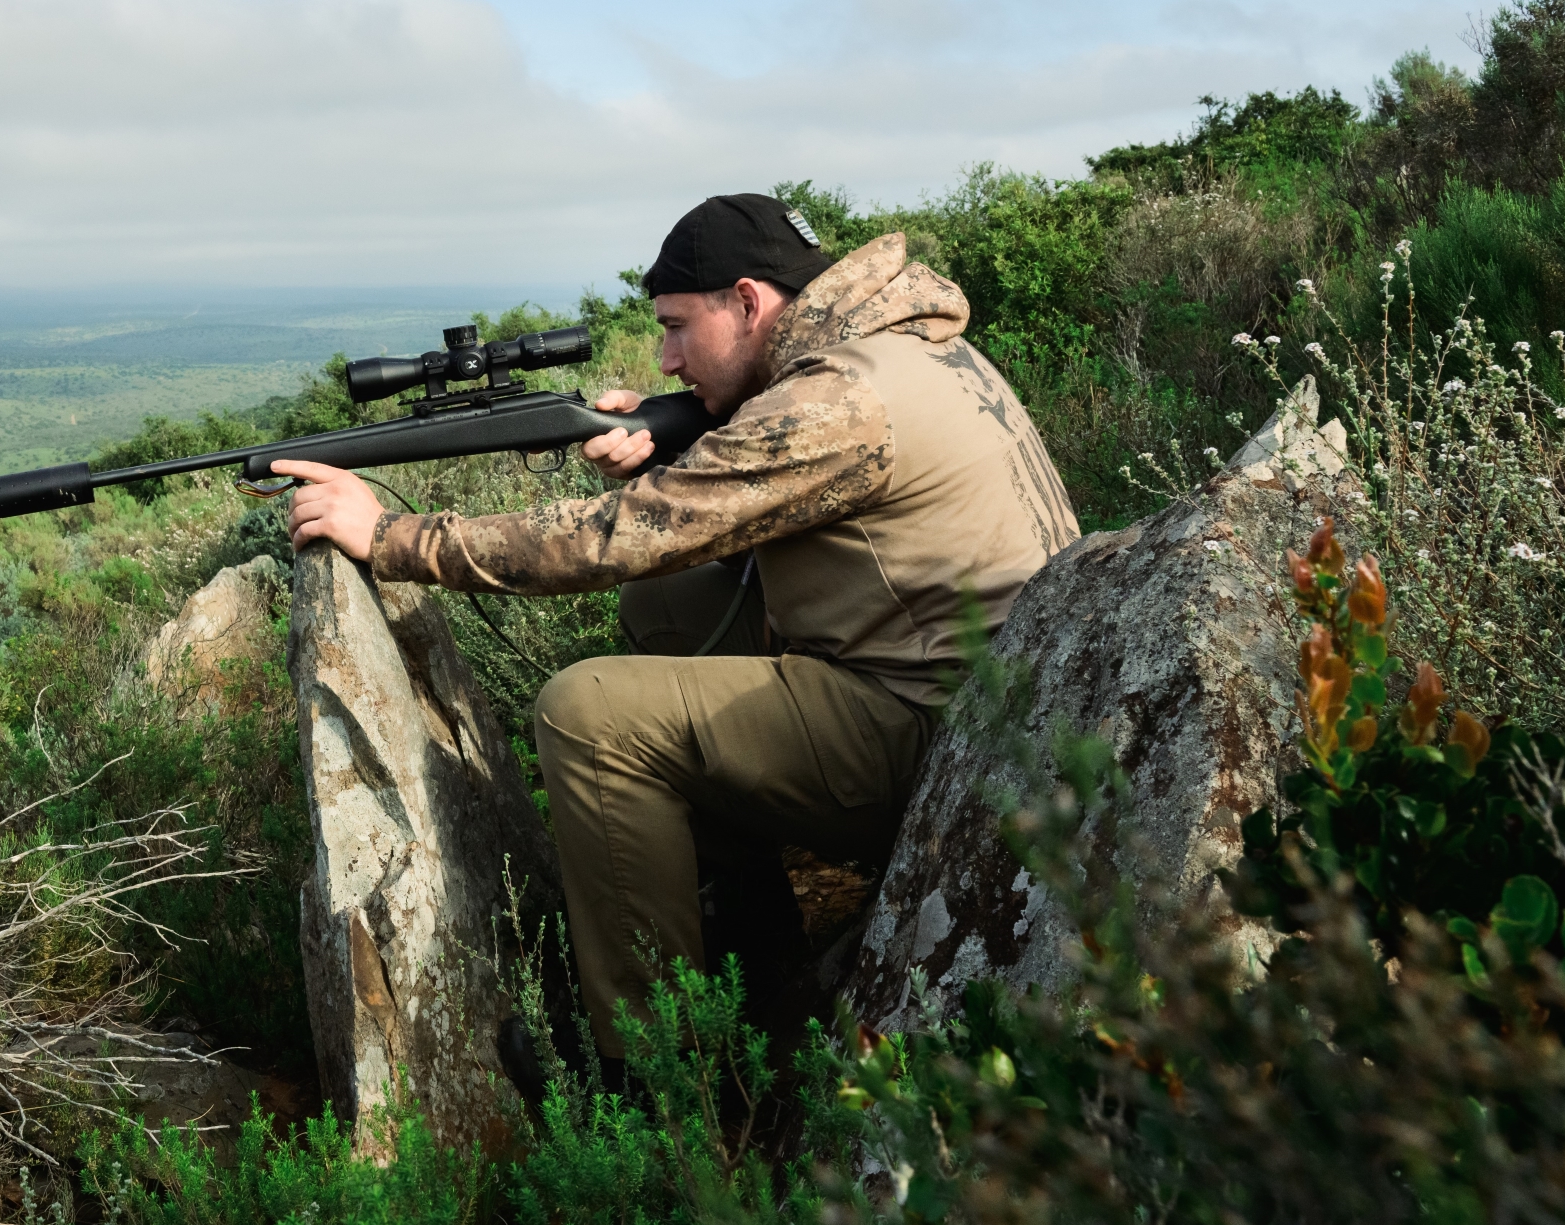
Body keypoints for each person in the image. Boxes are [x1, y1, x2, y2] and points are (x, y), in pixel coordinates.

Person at [270, 192, 1080, 1077]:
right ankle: (752, 944)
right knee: (674, 608)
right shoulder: (906, 348)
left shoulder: (838, 399)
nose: (665, 356)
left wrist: (393, 537)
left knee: (588, 713)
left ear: (746, 301)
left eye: (677, 328)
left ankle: (658, 1071)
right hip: (997, 707)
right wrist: (675, 436)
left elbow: (613, 537)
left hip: (941, 753)